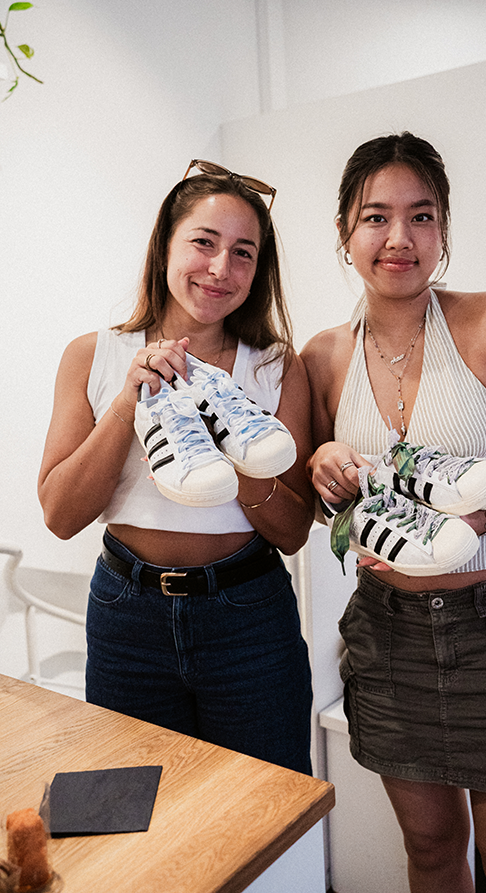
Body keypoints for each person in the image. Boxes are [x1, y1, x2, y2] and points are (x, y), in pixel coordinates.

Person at [301, 132, 486, 891]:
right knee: (432, 851)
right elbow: (319, 508)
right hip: (388, 635)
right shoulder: (324, 357)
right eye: (376, 217)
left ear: (443, 229)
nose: (399, 238)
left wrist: (479, 522)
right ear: (344, 232)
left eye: (422, 216)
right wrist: (324, 467)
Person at [38, 160, 314, 774]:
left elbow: (294, 531)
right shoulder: (93, 355)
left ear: (258, 271)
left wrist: (228, 432)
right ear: (165, 245)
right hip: (127, 617)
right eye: (204, 242)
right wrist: (128, 403)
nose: (220, 268)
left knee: (265, 805)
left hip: (248, 616)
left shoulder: (275, 366)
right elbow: (60, 514)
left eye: (243, 253)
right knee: (136, 805)